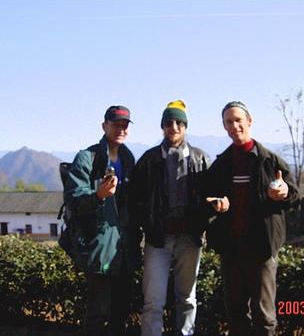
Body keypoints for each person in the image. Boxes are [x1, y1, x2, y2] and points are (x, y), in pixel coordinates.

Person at [205, 101, 299, 335]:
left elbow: (295, 195)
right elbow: (206, 199)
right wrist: (215, 204)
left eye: (238, 120)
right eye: (229, 122)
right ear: (224, 127)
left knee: (264, 316)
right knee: (235, 313)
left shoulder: (270, 161)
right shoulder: (221, 164)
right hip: (231, 247)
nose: (234, 125)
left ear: (250, 121)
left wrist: (283, 192)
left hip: (262, 247)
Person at [128, 100, 212, 336]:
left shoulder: (200, 159)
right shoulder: (149, 160)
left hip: (190, 238)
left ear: (185, 126)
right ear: (162, 127)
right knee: (153, 302)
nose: (173, 126)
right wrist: (147, 224)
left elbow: (212, 195)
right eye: (168, 122)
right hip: (158, 239)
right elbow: (135, 199)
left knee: (187, 298)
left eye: (178, 122)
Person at [62, 105, 138, 335]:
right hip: (99, 246)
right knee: (98, 313)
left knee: (121, 312)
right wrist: (98, 196)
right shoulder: (88, 158)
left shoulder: (128, 158)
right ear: (104, 126)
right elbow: (74, 200)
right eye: (115, 124)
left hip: (124, 247)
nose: (120, 129)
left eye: (124, 126)